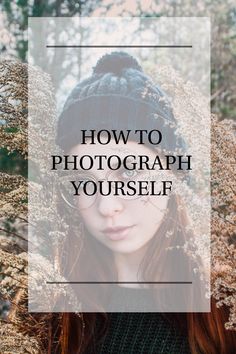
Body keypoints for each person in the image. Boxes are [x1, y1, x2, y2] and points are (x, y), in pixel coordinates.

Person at [51, 52, 235, 353]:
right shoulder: (52, 310)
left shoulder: (224, 304)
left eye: (128, 170)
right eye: (83, 178)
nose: (107, 205)